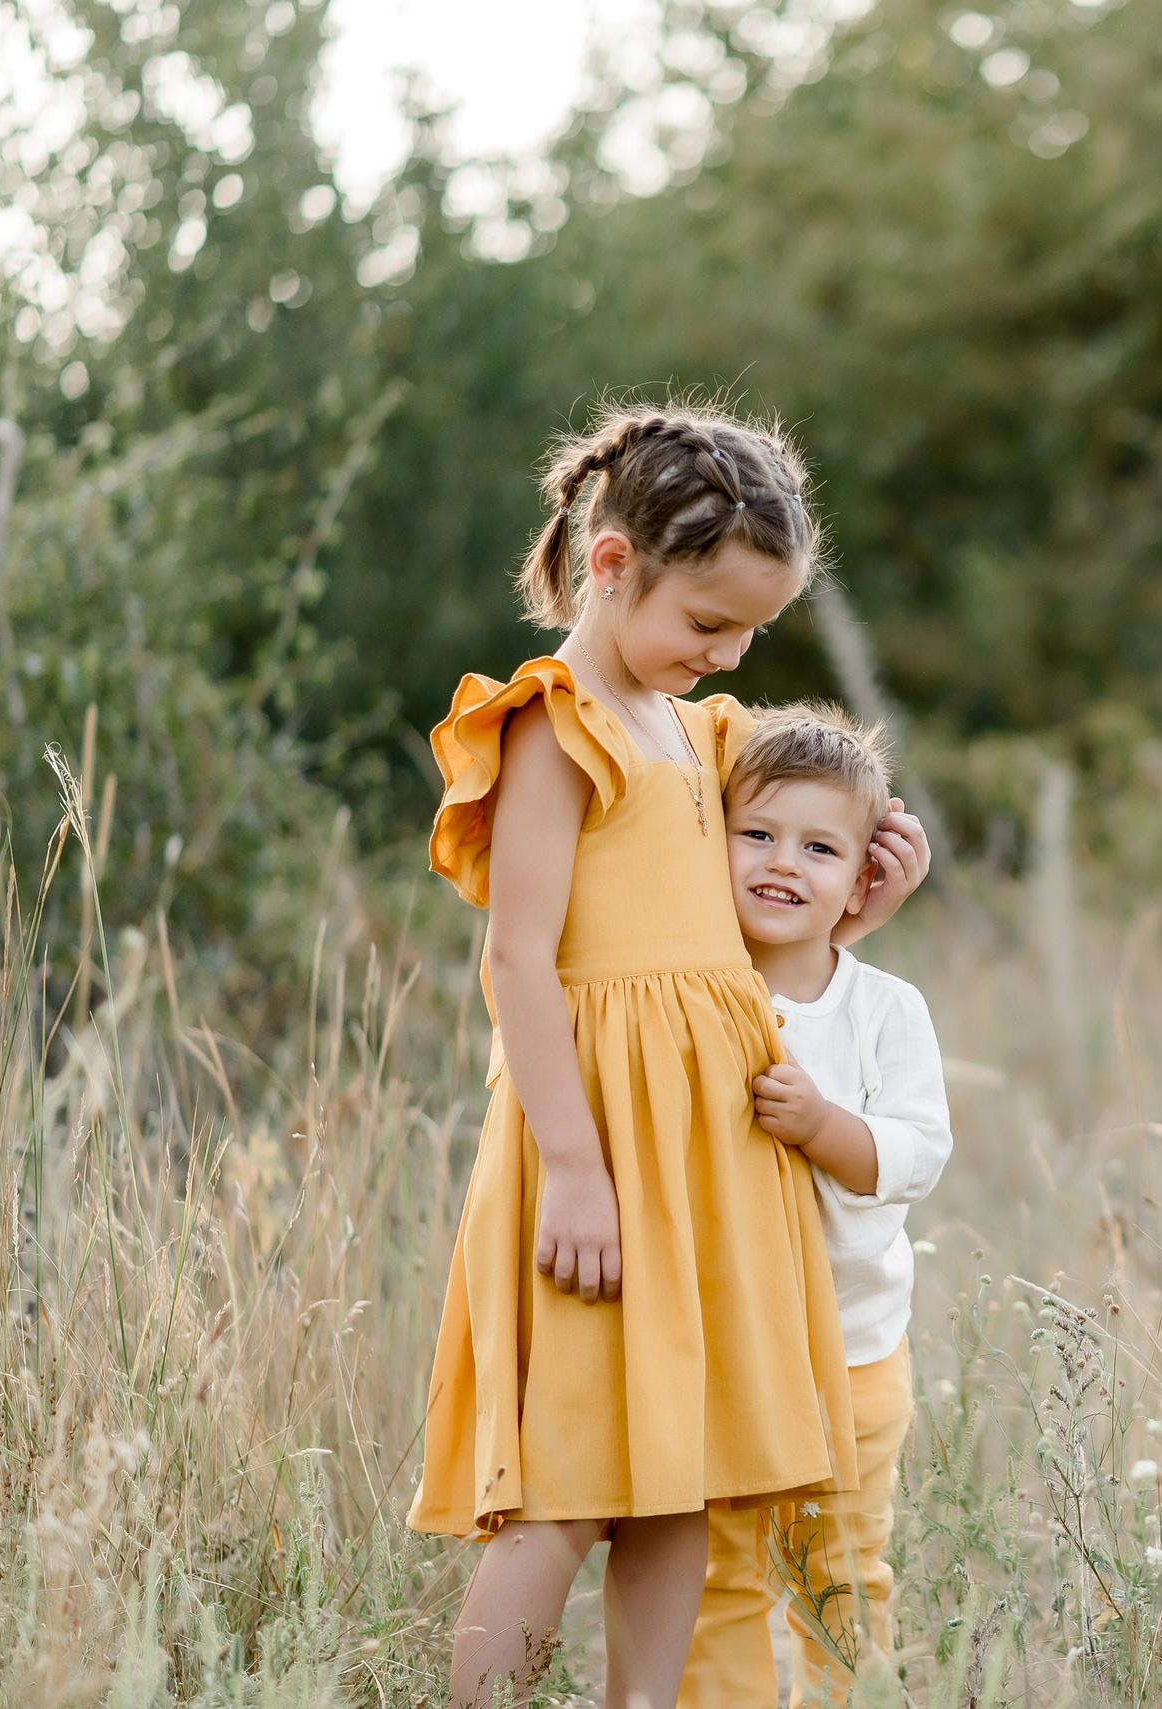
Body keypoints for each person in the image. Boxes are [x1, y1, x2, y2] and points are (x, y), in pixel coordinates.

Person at [407, 404, 931, 1709]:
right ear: (612, 562)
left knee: (684, 1480)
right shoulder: (558, 724)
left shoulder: (696, 737)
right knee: (570, 1490)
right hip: (601, 1154)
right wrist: (576, 1169)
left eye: (753, 629)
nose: (730, 652)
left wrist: (855, 910)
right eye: (707, 623)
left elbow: (731, 925)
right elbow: (521, 959)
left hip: (708, 1166)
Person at [684, 705, 953, 1707]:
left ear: (864, 874)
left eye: (820, 846)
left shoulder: (884, 1007)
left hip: (853, 1356)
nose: (781, 863)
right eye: (755, 833)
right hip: (722, 1355)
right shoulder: (696, 989)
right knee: (717, 1581)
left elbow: (917, 1151)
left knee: (838, 1579)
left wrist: (823, 1123)